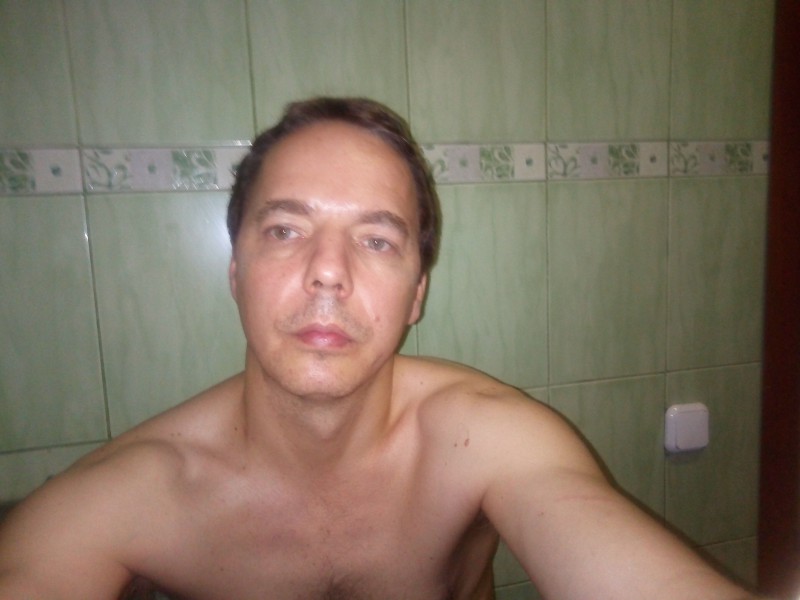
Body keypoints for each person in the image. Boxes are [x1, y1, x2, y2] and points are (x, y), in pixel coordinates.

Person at [0, 97, 762, 600]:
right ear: (236, 273)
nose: (328, 271)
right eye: (286, 230)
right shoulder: (125, 498)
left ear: (417, 296)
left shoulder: (484, 441)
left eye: (376, 240)